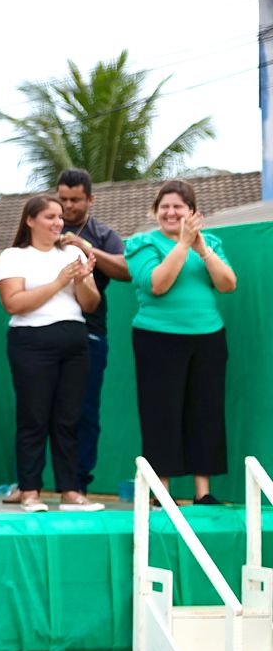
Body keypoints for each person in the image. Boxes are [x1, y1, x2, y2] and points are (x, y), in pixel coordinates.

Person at [126, 179, 237, 504]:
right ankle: (161, 492)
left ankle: (203, 492)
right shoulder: (142, 243)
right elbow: (157, 284)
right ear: (156, 211)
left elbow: (228, 283)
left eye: (178, 207)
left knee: (205, 411)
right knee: (162, 412)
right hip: (157, 339)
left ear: (193, 213)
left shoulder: (211, 242)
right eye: (165, 207)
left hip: (208, 338)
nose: (171, 213)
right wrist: (183, 245)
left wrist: (201, 247)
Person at [0, 195, 101, 512]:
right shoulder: (14, 256)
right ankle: (30, 490)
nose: (58, 223)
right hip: (31, 342)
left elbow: (90, 303)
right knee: (34, 417)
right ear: (30, 220)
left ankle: (70, 490)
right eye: (50, 217)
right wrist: (59, 281)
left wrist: (81, 281)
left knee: (69, 418)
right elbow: (14, 303)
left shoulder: (73, 253)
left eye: (60, 217)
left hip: (74, 342)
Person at [53, 168, 130, 496]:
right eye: (63, 199)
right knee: (38, 408)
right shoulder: (45, 224)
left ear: (90, 199)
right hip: (45, 329)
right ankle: (26, 483)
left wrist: (86, 247)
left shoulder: (101, 233)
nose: (67, 207)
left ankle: (78, 482)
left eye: (75, 200)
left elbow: (126, 270)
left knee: (84, 410)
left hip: (90, 332)